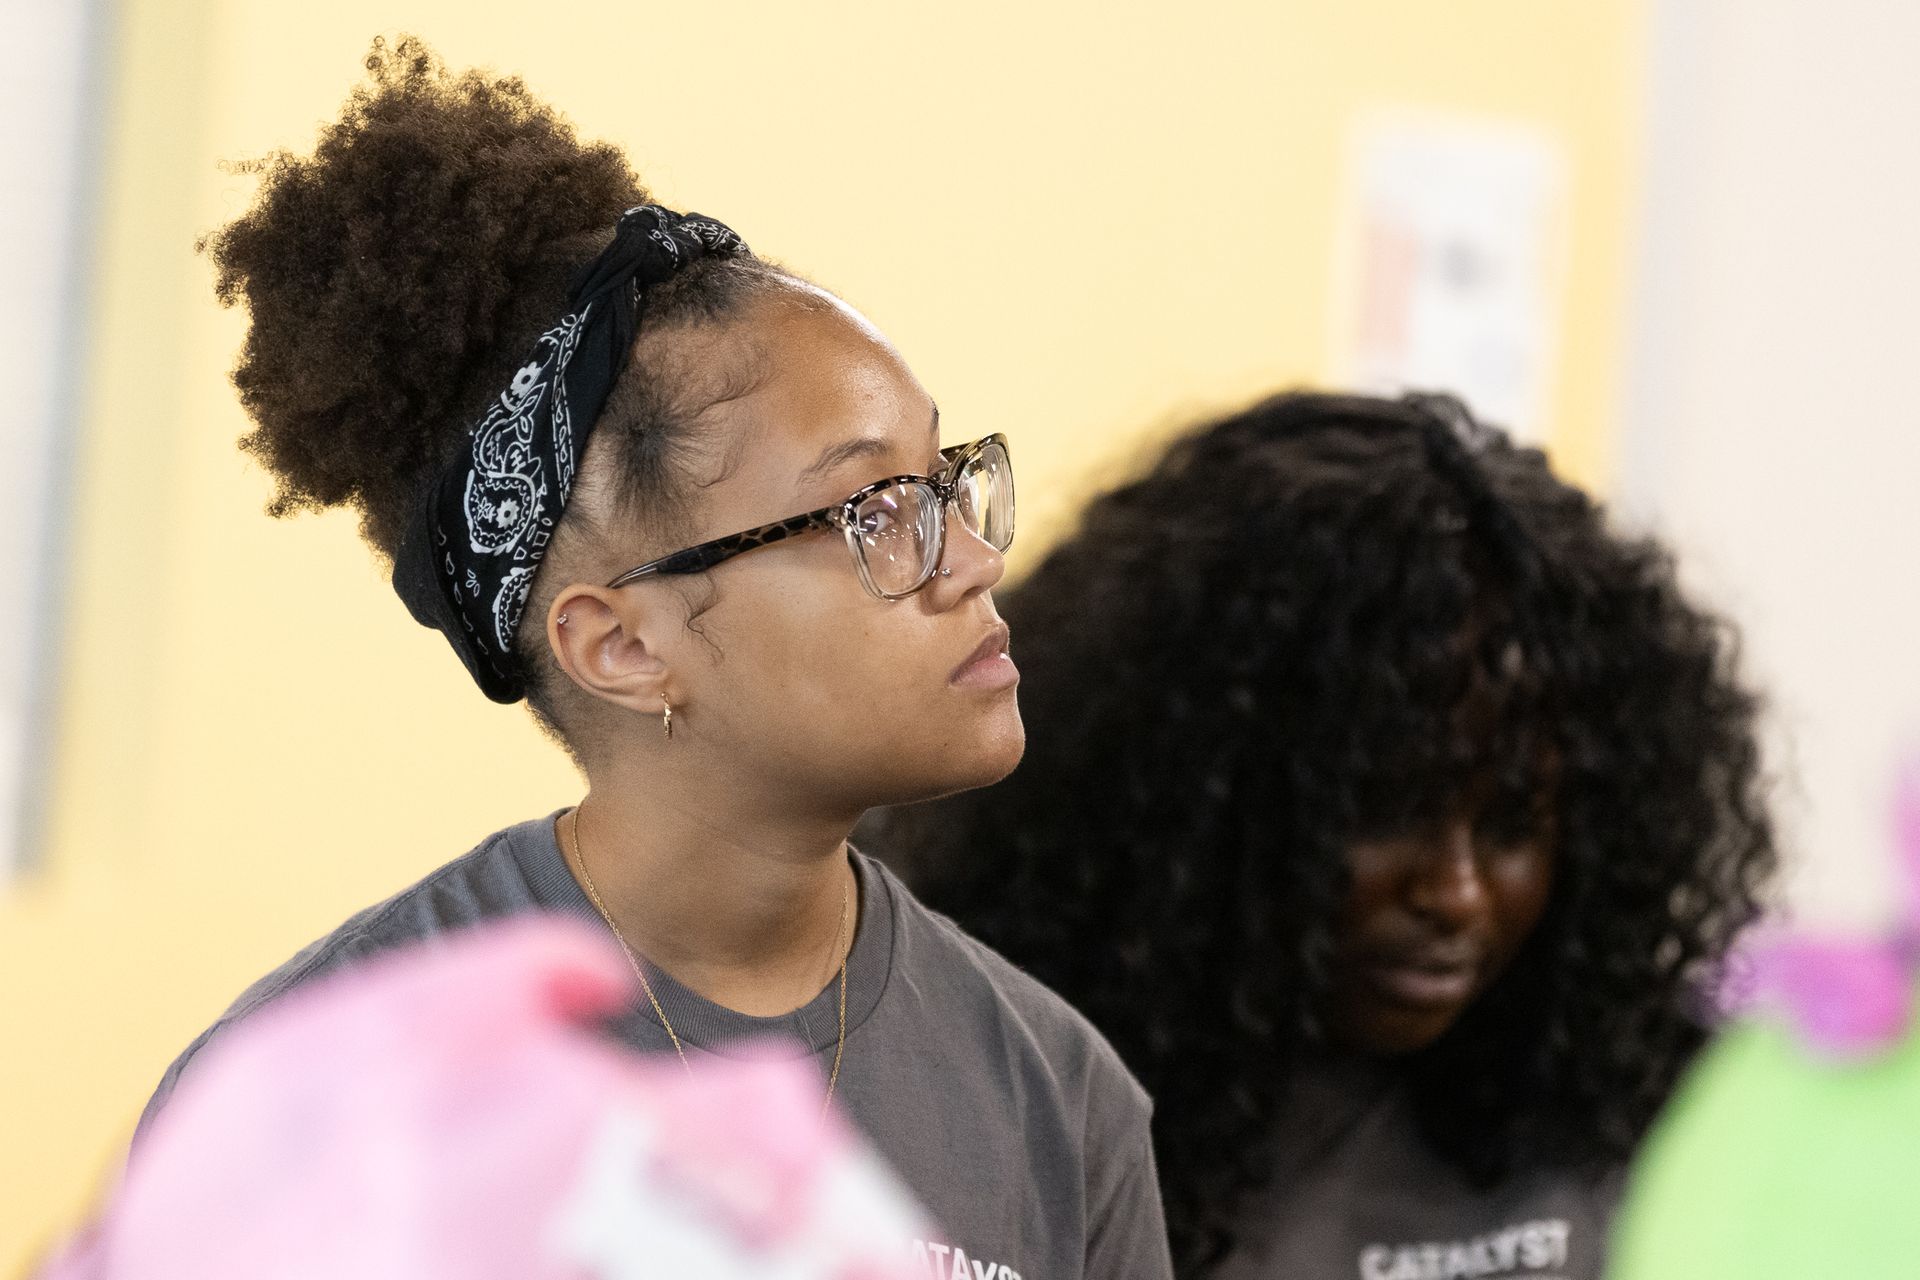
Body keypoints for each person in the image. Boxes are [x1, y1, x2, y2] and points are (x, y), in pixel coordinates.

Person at [136, 37, 1170, 1279]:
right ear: (623, 643)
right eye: (875, 510)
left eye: (947, 481)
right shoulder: (314, 1101)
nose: (971, 560)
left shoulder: (1053, 1098)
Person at [869, 391, 1779, 1278]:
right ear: (1204, 802)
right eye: (1385, 812)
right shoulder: (1009, 1102)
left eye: (1512, 826)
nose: (1456, 895)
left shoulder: (1661, 1120)